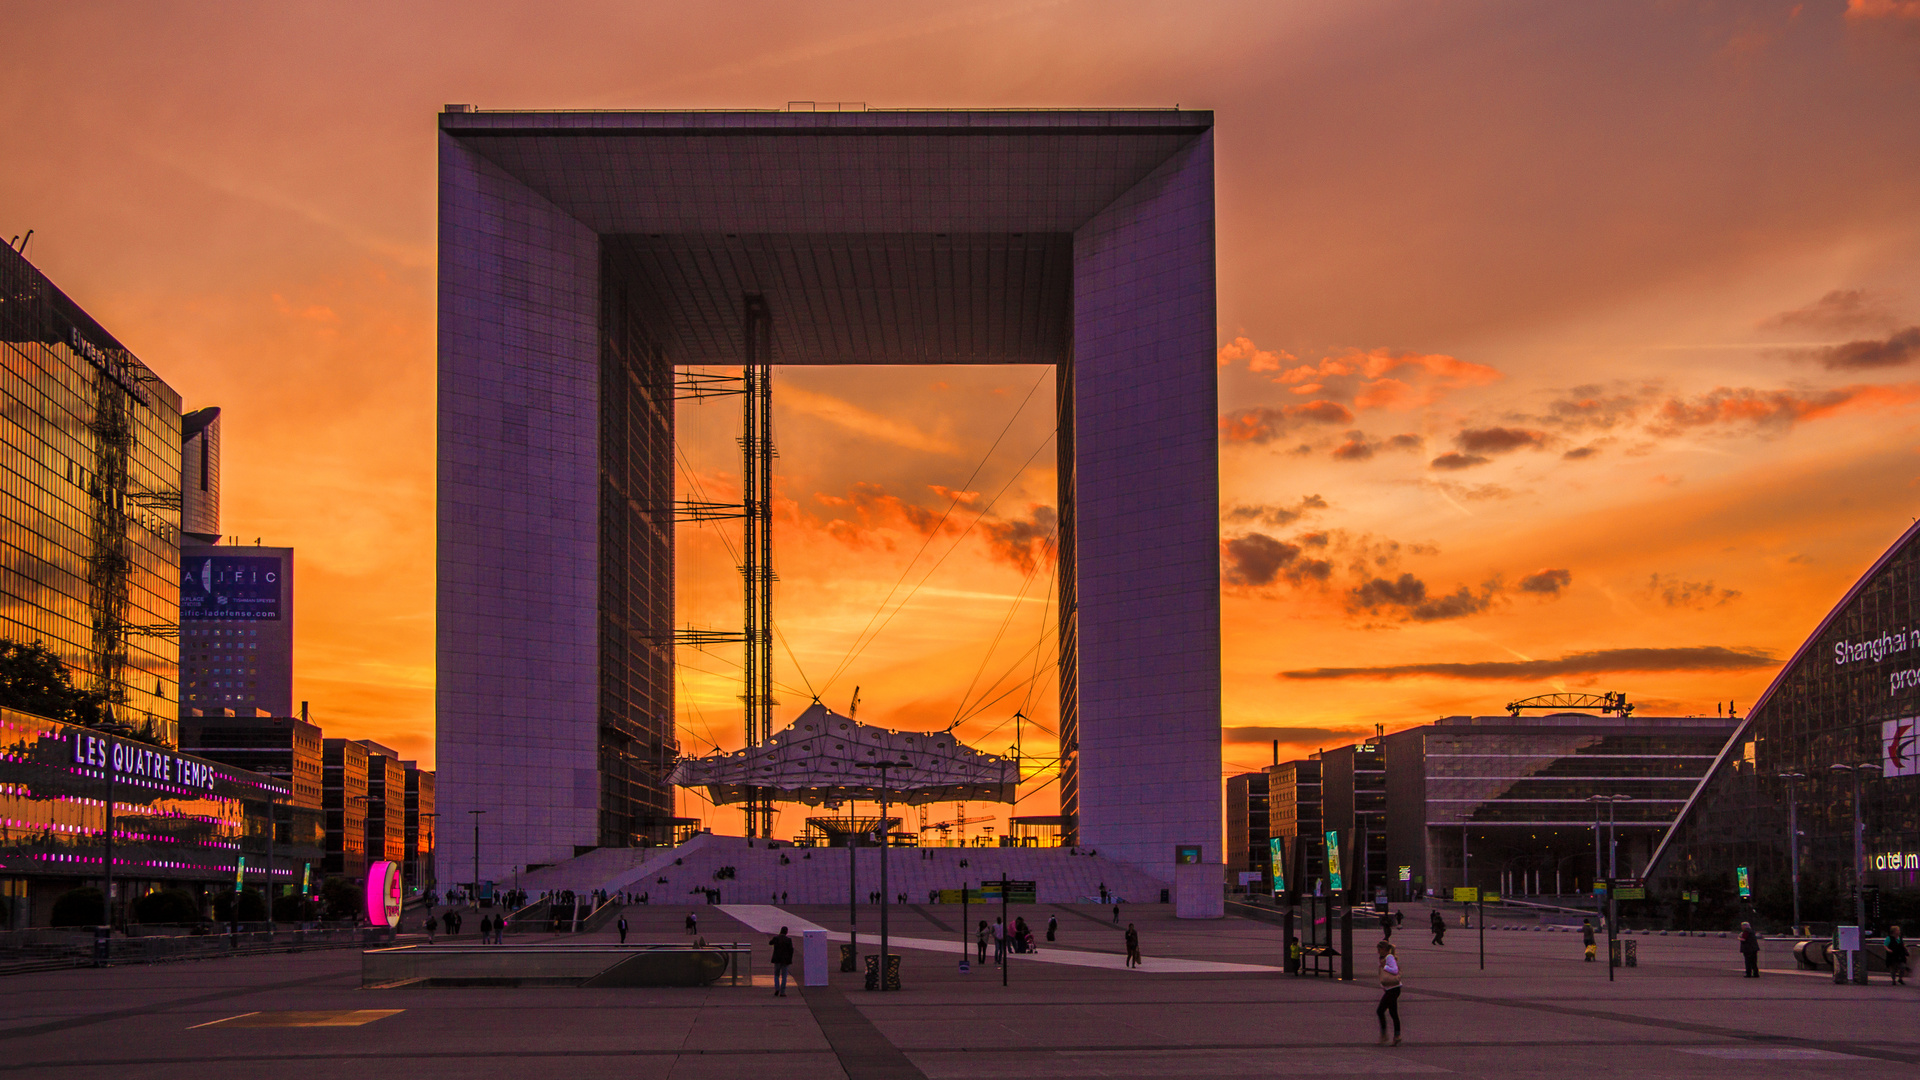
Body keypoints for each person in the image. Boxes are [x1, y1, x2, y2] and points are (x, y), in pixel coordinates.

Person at [1376, 940, 1402, 1046]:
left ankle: (1385, 1035)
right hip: (1391, 989)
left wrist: (1384, 966)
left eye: (1379, 949)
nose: (1378, 952)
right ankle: (1396, 1035)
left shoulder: (1389, 957)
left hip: (1393, 989)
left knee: (1380, 1010)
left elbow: (1395, 970)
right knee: (1393, 1012)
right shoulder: (1384, 958)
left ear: (1384, 949)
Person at [769, 925, 795, 997]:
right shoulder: (788, 940)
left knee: (776, 975)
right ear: (786, 932)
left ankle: (777, 988)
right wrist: (790, 959)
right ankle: (782, 992)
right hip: (785, 960)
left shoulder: (776, 938)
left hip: (777, 959)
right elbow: (791, 950)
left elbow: (770, 943)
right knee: (784, 976)